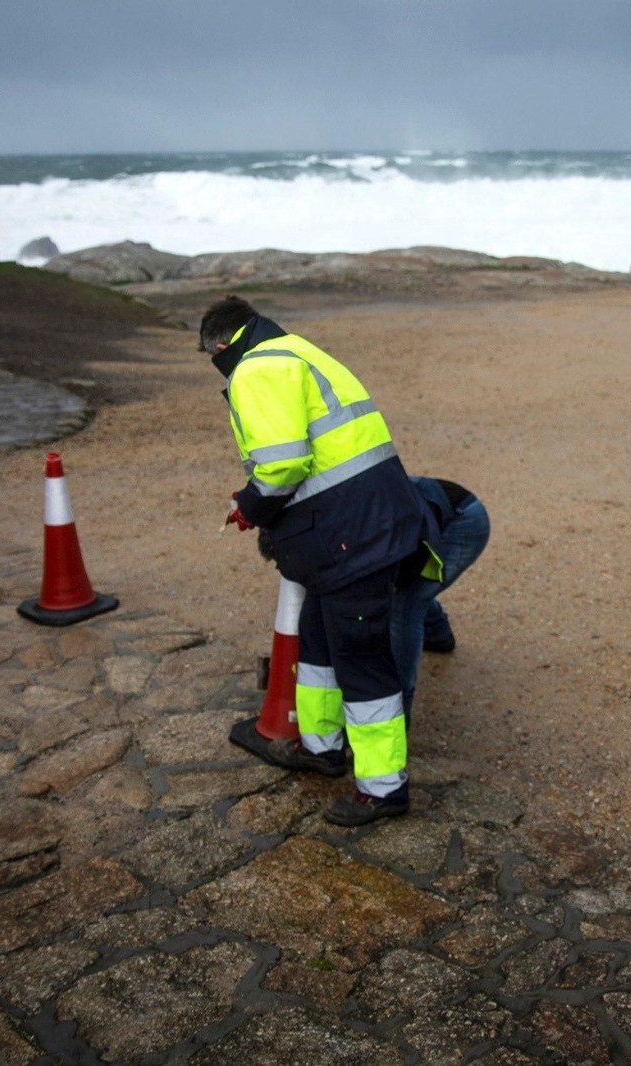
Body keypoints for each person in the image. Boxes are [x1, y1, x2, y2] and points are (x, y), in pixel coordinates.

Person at [203, 296, 441, 826]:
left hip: (352, 538)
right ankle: (322, 747)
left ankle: (383, 789)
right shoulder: (299, 351)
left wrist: (248, 505)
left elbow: (283, 463)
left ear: (220, 346)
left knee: (360, 658)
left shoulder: (255, 368)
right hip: (365, 525)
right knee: (316, 642)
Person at [391, 476, 490, 719]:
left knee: (404, 605)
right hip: (440, 512)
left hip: (462, 521)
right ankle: (438, 634)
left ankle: (396, 714)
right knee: (409, 589)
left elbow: (407, 565)